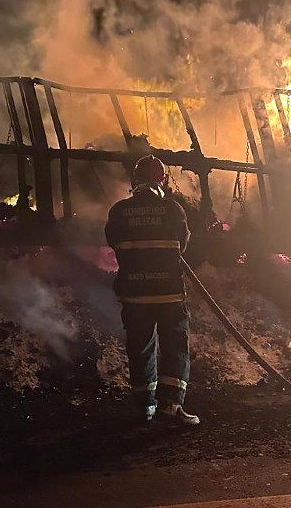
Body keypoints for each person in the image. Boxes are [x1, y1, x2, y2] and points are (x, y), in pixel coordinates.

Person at [105, 155, 200, 425]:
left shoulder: (119, 211)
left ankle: (144, 407)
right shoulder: (173, 210)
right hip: (169, 293)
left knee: (140, 347)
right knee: (174, 346)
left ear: (135, 179)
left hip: (134, 294)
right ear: (163, 181)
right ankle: (170, 406)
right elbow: (182, 245)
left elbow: (112, 241)